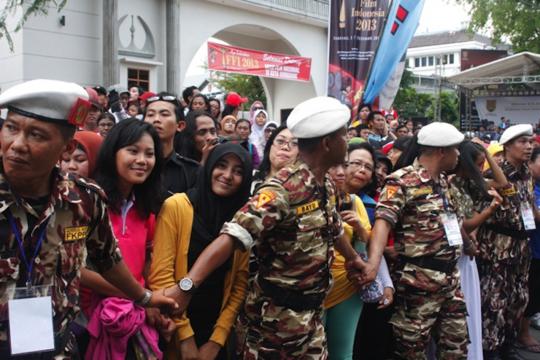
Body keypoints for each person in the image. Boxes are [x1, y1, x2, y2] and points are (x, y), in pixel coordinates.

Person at [165, 96, 367, 358]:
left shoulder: (324, 184)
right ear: (327, 143)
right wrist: (186, 288)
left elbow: (332, 227)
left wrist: (353, 259)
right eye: (343, 135)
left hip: (312, 319)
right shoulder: (280, 190)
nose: (347, 142)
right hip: (274, 327)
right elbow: (232, 236)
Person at [0, 79, 176, 358]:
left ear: (66, 149)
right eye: (11, 128)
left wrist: (144, 297)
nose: (17, 145)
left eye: (36, 135)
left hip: (56, 345)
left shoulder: (84, 199)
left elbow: (108, 257)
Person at [356, 122, 469, 359]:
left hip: (450, 281)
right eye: (455, 149)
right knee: (411, 350)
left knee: (457, 347)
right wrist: (373, 265)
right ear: (441, 151)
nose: (458, 155)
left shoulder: (444, 183)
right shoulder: (402, 181)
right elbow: (383, 223)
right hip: (418, 283)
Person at [149, 143, 252, 359]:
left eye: (238, 171)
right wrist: (185, 339)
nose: (227, 175)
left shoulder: (242, 218)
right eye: (221, 165)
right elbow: (161, 277)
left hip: (215, 332)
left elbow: (239, 285)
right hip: (174, 326)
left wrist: (216, 342)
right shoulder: (176, 206)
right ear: (209, 166)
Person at [82, 119, 172, 359]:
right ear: (113, 153)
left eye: (150, 154)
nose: (142, 160)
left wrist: (148, 301)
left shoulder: (146, 209)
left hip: (133, 315)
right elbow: (78, 270)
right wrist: (141, 297)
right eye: (133, 151)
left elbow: (145, 262)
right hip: (91, 318)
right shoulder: (89, 203)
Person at [474, 124, 537, 359]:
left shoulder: (526, 173)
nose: (529, 146)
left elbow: (528, 206)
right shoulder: (495, 174)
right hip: (497, 246)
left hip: (521, 247)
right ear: (507, 145)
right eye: (522, 142)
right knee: (493, 302)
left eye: (530, 142)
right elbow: (477, 211)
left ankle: (507, 345)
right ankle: (490, 349)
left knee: (518, 299)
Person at [324, 157, 394, 360]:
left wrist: (359, 228)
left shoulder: (355, 202)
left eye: (343, 166)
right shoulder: (309, 200)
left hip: (348, 284)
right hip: (314, 285)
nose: (340, 172)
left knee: (342, 353)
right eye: (335, 165)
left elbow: (371, 247)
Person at [144, 93, 200, 201]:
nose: (156, 119)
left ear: (180, 125)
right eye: (150, 115)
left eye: (164, 114)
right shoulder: (134, 166)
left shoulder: (192, 171)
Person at [517, 146, 540, 351]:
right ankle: (522, 334)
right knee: (528, 294)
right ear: (530, 164)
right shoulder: (527, 186)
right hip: (530, 250)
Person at [251, 124, 298, 192]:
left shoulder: (305, 186)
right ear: (270, 146)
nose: (285, 147)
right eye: (280, 141)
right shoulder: (251, 177)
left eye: (294, 143)